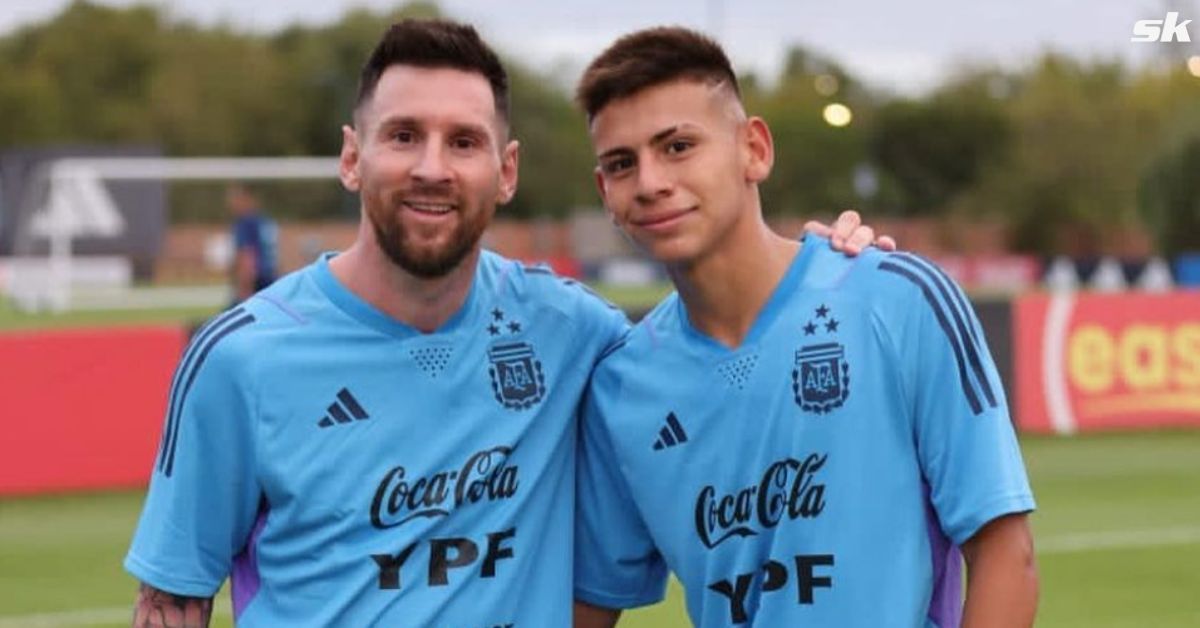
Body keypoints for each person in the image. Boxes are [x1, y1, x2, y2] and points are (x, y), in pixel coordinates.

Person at [124, 18, 885, 627]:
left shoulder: (576, 336)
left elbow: (711, 349)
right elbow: (173, 600)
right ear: (353, 159)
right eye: (402, 136)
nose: (431, 167)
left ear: (507, 170)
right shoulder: (241, 358)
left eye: (463, 142)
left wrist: (825, 264)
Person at [572, 27, 1038, 628]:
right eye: (621, 163)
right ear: (605, 191)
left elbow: (1007, 555)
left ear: (754, 150)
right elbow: (589, 605)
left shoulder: (897, 300)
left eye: (678, 146)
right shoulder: (621, 388)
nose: (651, 181)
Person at [226, 183, 279, 303]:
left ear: (246, 199)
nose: (231, 204)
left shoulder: (245, 223)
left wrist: (245, 287)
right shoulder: (266, 221)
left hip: (255, 283)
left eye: (235, 198)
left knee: (227, 319)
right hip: (270, 280)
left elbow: (248, 256)